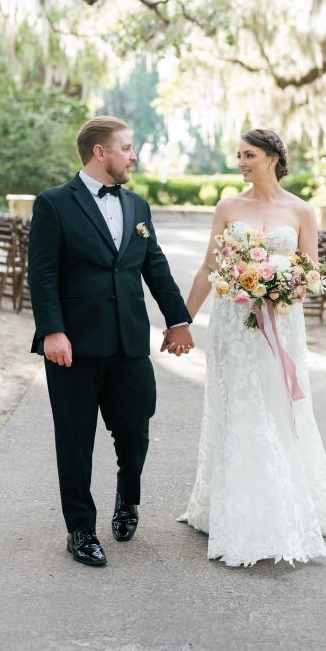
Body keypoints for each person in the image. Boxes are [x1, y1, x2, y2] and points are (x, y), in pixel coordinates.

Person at [178, 128, 326, 567]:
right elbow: (207, 270)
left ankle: (283, 500)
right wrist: (181, 322)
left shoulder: (302, 211)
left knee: (275, 405)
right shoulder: (228, 207)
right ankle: (231, 502)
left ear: (271, 158)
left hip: (281, 327)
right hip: (234, 325)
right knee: (240, 405)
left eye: (248, 155)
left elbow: (311, 277)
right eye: (238, 156)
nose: (241, 163)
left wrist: (278, 286)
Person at [28, 116, 194, 567]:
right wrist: (52, 331)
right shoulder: (54, 203)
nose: (134, 155)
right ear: (100, 152)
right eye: (126, 148)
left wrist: (177, 320)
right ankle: (81, 530)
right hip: (73, 347)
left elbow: (154, 266)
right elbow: (42, 274)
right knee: (76, 441)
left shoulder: (138, 207)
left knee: (137, 431)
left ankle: (128, 498)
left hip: (128, 343)